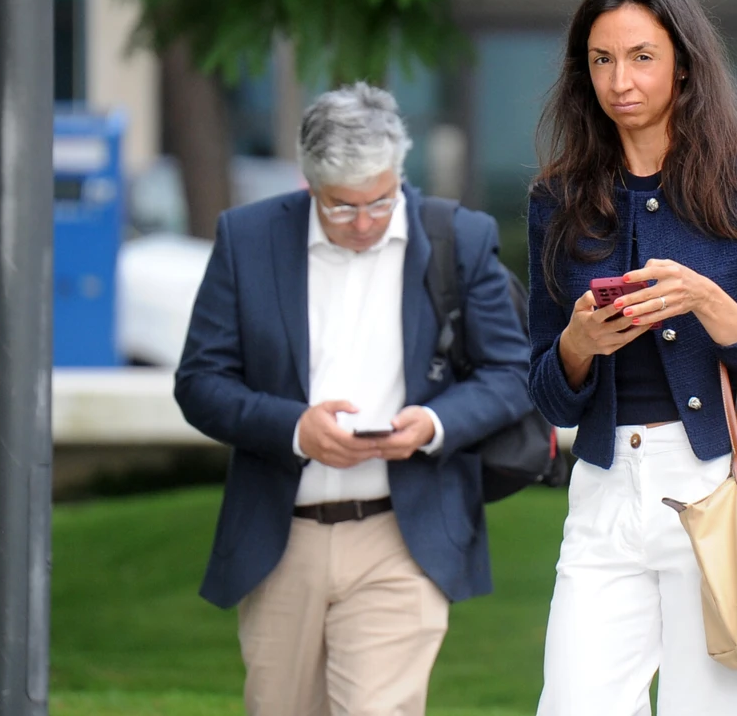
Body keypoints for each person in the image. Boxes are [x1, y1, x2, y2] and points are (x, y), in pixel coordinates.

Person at [174, 82, 533, 716]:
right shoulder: (248, 238)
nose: (364, 223)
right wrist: (295, 429)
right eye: (342, 207)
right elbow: (200, 382)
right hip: (281, 537)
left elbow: (512, 373)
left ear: (399, 172)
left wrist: (434, 423)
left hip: (402, 534)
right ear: (310, 184)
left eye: (380, 202)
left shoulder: (459, 237)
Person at [526, 0, 737, 716]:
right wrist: (579, 343)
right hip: (603, 488)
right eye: (602, 59)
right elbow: (548, 393)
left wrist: (711, 303)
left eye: (641, 57)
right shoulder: (557, 197)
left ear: (684, 63)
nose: (619, 80)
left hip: (721, 482)